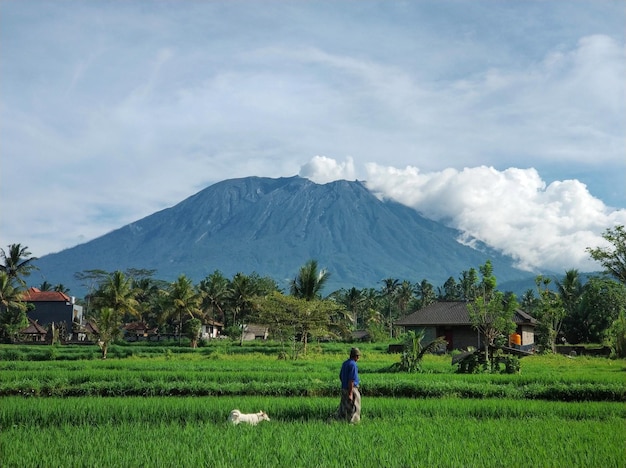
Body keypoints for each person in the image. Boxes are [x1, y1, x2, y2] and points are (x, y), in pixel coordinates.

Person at [337, 347, 361, 423]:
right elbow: (351, 380)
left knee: (344, 407)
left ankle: (343, 421)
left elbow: (341, 376)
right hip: (352, 389)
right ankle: (354, 423)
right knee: (355, 406)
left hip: (344, 388)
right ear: (356, 356)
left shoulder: (345, 363)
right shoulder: (353, 365)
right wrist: (350, 393)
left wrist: (345, 385)